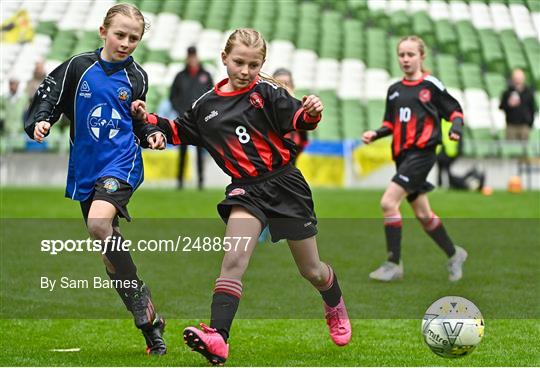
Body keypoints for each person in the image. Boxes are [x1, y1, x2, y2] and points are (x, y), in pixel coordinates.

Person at [134, 28, 351, 365]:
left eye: (253, 64)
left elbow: (300, 120)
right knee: (233, 262)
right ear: (224, 59)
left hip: (285, 185)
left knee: (312, 270)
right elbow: (175, 130)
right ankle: (219, 338)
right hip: (246, 190)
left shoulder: (267, 92)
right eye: (238, 62)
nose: (245, 70)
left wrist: (312, 110)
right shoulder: (205, 106)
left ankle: (334, 303)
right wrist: (143, 118)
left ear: (261, 63)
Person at [24, 3, 167, 355]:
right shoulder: (78, 67)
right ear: (103, 32)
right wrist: (42, 121)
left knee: (98, 223)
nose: (126, 43)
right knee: (107, 252)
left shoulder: (138, 76)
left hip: (121, 162)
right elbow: (49, 95)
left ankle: (141, 303)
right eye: (120, 35)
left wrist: (150, 131)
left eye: (134, 38)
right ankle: (150, 324)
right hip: (87, 167)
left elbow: (138, 116)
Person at [362, 35, 468, 282]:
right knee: (423, 214)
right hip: (402, 156)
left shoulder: (430, 85)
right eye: (402, 55)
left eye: (411, 54)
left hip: (423, 153)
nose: (406, 59)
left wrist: (456, 128)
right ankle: (454, 254)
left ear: (422, 56)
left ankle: (393, 263)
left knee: (389, 203)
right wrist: (375, 134)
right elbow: (390, 123)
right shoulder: (394, 90)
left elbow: (455, 110)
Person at [169, 46, 214, 189]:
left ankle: (201, 181)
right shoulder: (180, 75)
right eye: (190, 56)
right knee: (182, 151)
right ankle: (180, 181)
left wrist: (204, 112)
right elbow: (173, 97)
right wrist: (180, 111)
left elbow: (211, 95)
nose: (192, 59)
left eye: (194, 56)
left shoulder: (205, 75)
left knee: (200, 150)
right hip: (184, 120)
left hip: (200, 120)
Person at [273, 68, 309, 164]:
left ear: (293, 86)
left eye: (287, 84)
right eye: (279, 84)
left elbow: (304, 140)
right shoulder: (264, 109)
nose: (283, 87)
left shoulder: (300, 110)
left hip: (291, 162)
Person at [499, 68, 537, 143]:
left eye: (519, 78)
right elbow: (501, 107)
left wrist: (530, 123)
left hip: (524, 126)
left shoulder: (528, 93)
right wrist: (509, 104)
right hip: (511, 126)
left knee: (524, 150)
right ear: (513, 79)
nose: (518, 80)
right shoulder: (507, 93)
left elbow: (532, 109)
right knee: (511, 149)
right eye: (516, 78)